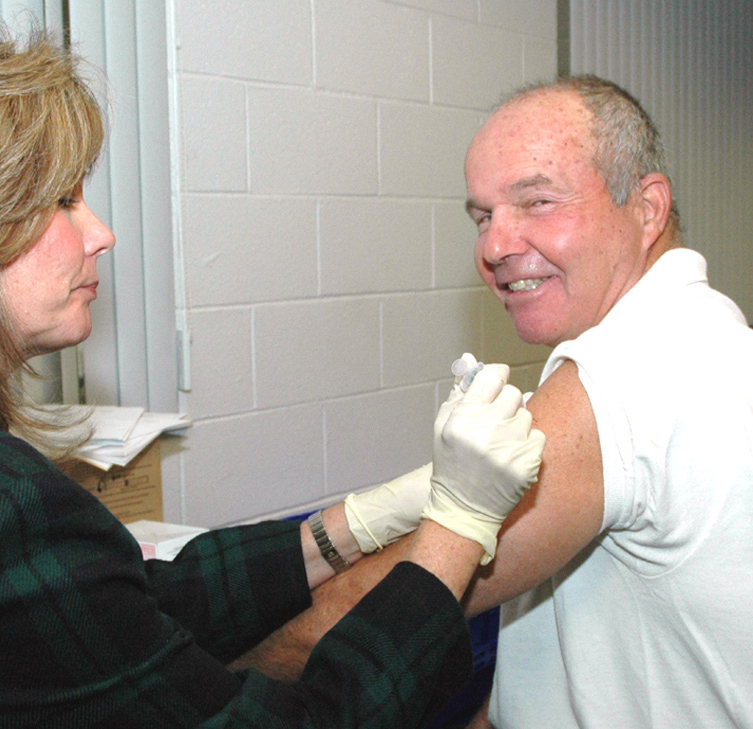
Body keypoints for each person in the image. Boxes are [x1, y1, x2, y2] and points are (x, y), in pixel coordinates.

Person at [0, 23, 546, 728]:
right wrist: (457, 529)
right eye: (60, 201)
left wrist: (356, 522)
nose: (99, 233)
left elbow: (131, 602)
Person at [237, 75, 753, 728]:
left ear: (647, 208)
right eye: (482, 215)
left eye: (536, 202)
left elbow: (375, 611)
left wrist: (181, 676)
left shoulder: (628, 371)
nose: (493, 246)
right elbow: (563, 645)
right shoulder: (713, 332)